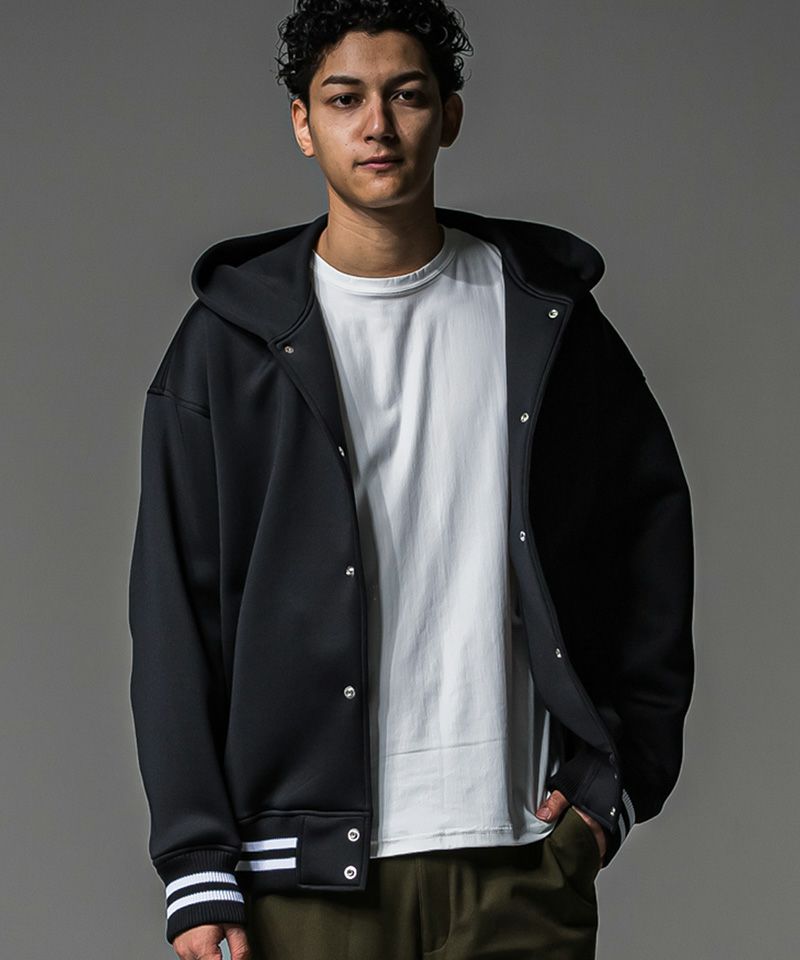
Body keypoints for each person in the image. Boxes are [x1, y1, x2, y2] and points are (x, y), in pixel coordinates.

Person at [128, 1, 695, 958]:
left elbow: (649, 537)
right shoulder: (227, 347)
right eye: (344, 99)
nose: (378, 126)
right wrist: (195, 857)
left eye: (407, 95)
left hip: (520, 856)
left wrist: (618, 779)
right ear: (304, 123)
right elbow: (173, 609)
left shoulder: (542, 316)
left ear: (451, 114)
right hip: (303, 880)